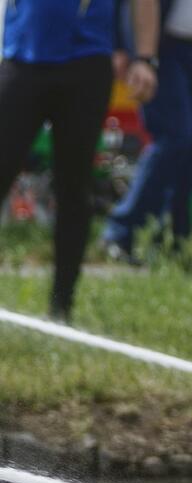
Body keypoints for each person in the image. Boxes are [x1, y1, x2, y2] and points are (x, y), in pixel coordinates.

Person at [0, 0, 158, 322]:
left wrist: (145, 58)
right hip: (21, 58)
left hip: (86, 65)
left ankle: (61, 308)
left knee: (74, 187)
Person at [103, 0, 192, 264]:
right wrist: (127, 49)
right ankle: (121, 230)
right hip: (162, 48)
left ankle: (174, 238)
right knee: (175, 137)